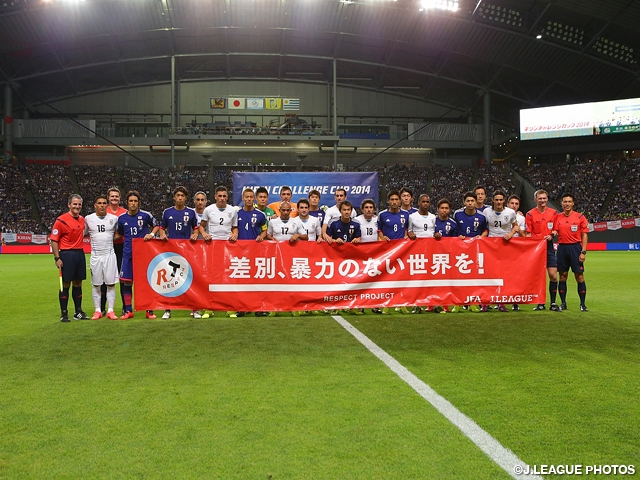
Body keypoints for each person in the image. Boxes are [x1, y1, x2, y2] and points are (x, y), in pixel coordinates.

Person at [157, 186, 200, 319]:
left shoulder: (191, 213)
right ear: (174, 197)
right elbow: (161, 228)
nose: (180, 198)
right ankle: (168, 309)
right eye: (178, 195)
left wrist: (195, 234)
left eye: (182, 195)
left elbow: (196, 229)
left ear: (186, 198)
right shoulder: (167, 212)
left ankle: (195, 309)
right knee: (170, 280)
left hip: (187, 251)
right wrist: (163, 234)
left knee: (190, 279)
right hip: (171, 251)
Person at [117, 190, 159, 319]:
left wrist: (151, 234)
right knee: (127, 283)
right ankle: (128, 310)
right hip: (128, 254)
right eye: (131, 201)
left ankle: (149, 310)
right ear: (127, 203)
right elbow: (120, 234)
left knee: (146, 283)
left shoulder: (146, 216)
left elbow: (157, 226)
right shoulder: (122, 218)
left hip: (143, 255)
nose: (133, 203)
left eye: (135, 201)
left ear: (139, 203)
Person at [51, 194, 89, 322]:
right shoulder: (61, 220)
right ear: (69, 205)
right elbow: (54, 240)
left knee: (78, 283)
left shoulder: (83, 219)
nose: (77, 206)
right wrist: (57, 258)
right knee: (65, 284)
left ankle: (78, 311)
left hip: (79, 253)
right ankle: (64, 313)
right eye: (75, 204)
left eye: (79, 204)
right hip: (66, 254)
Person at [84, 195, 120, 320]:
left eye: (104, 203)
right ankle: (97, 310)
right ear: (95, 205)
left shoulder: (114, 218)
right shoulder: (88, 219)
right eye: (99, 203)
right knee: (96, 285)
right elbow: (82, 234)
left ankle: (110, 310)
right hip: (96, 256)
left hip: (109, 255)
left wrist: (110, 239)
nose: (102, 205)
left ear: (107, 205)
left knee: (111, 284)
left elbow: (119, 234)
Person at [483, 190, 519, 312]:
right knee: (489, 274)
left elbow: (516, 226)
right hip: (490, 247)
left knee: (503, 275)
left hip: (505, 246)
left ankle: (501, 302)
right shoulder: (486, 212)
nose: (498, 202)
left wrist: (511, 233)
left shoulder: (510, 212)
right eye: (496, 200)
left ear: (504, 201)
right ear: (492, 200)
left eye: (501, 200)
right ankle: (486, 302)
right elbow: (484, 227)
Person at [525, 189, 560, 312]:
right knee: (539, 277)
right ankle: (540, 303)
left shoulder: (554, 213)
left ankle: (553, 303)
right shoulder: (530, 214)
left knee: (553, 275)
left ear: (547, 199)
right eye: (540, 198)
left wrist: (552, 235)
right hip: (536, 248)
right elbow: (528, 233)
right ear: (535, 199)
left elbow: (556, 230)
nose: (542, 200)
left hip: (549, 246)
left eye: (544, 198)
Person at [554, 193, 589, 312]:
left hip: (575, 248)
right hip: (562, 248)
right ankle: (563, 303)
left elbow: (584, 235)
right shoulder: (557, 217)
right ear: (561, 203)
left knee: (579, 276)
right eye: (565, 201)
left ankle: (582, 304)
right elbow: (553, 230)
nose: (567, 204)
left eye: (569, 201)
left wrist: (583, 252)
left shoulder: (580, 217)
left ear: (573, 203)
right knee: (562, 277)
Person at [377, 191, 409, 314]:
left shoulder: (406, 214)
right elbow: (379, 230)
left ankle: (402, 304)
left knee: (402, 278)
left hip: (402, 251)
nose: (394, 202)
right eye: (392, 199)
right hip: (387, 251)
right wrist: (383, 237)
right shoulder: (382, 214)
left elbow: (407, 229)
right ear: (388, 201)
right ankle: (386, 304)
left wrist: (405, 236)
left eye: (396, 199)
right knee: (387, 278)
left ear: (400, 201)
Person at [105, 187, 127, 315]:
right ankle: (102, 307)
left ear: (120, 198)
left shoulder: (124, 212)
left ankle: (126, 307)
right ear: (108, 197)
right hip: (107, 248)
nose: (114, 198)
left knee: (123, 278)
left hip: (121, 247)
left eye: (116, 196)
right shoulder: (103, 211)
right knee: (105, 279)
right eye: (112, 196)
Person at [192, 191, 210, 319]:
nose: (200, 202)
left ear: (206, 201)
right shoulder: (190, 213)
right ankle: (195, 306)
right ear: (194, 201)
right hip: (192, 249)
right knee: (194, 278)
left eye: (202, 200)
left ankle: (207, 305)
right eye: (198, 199)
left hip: (207, 249)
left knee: (206, 278)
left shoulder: (209, 212)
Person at [508, 194, 526, 311]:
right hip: (502, 249)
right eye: (512, 203)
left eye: (516, 204)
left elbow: (524, 236)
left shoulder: (521, 219)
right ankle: (499, 301)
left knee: (515, 278)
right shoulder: (500, 214)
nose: (514, 206)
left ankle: (515, 302)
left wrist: (518, 230)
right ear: (508, 204)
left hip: (515, 250)